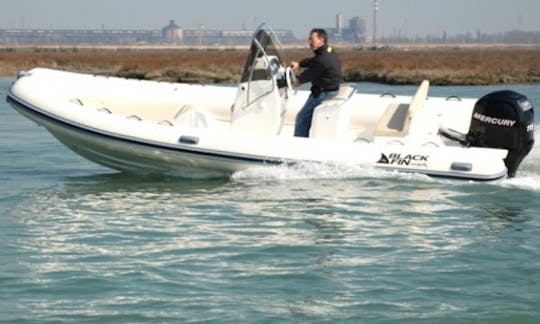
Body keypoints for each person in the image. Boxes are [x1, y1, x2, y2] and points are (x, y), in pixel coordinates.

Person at [290, 28, 342, 137]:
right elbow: (313, 61)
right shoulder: (328, 50)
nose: (309, 42)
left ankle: (299, 144)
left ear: (321, 40)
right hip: (331, 89)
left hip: (323, 94)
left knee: (301, 117)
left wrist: (292, 81)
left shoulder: (322, 60)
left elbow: (304, 77)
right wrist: (299, 64)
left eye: (311, 39)